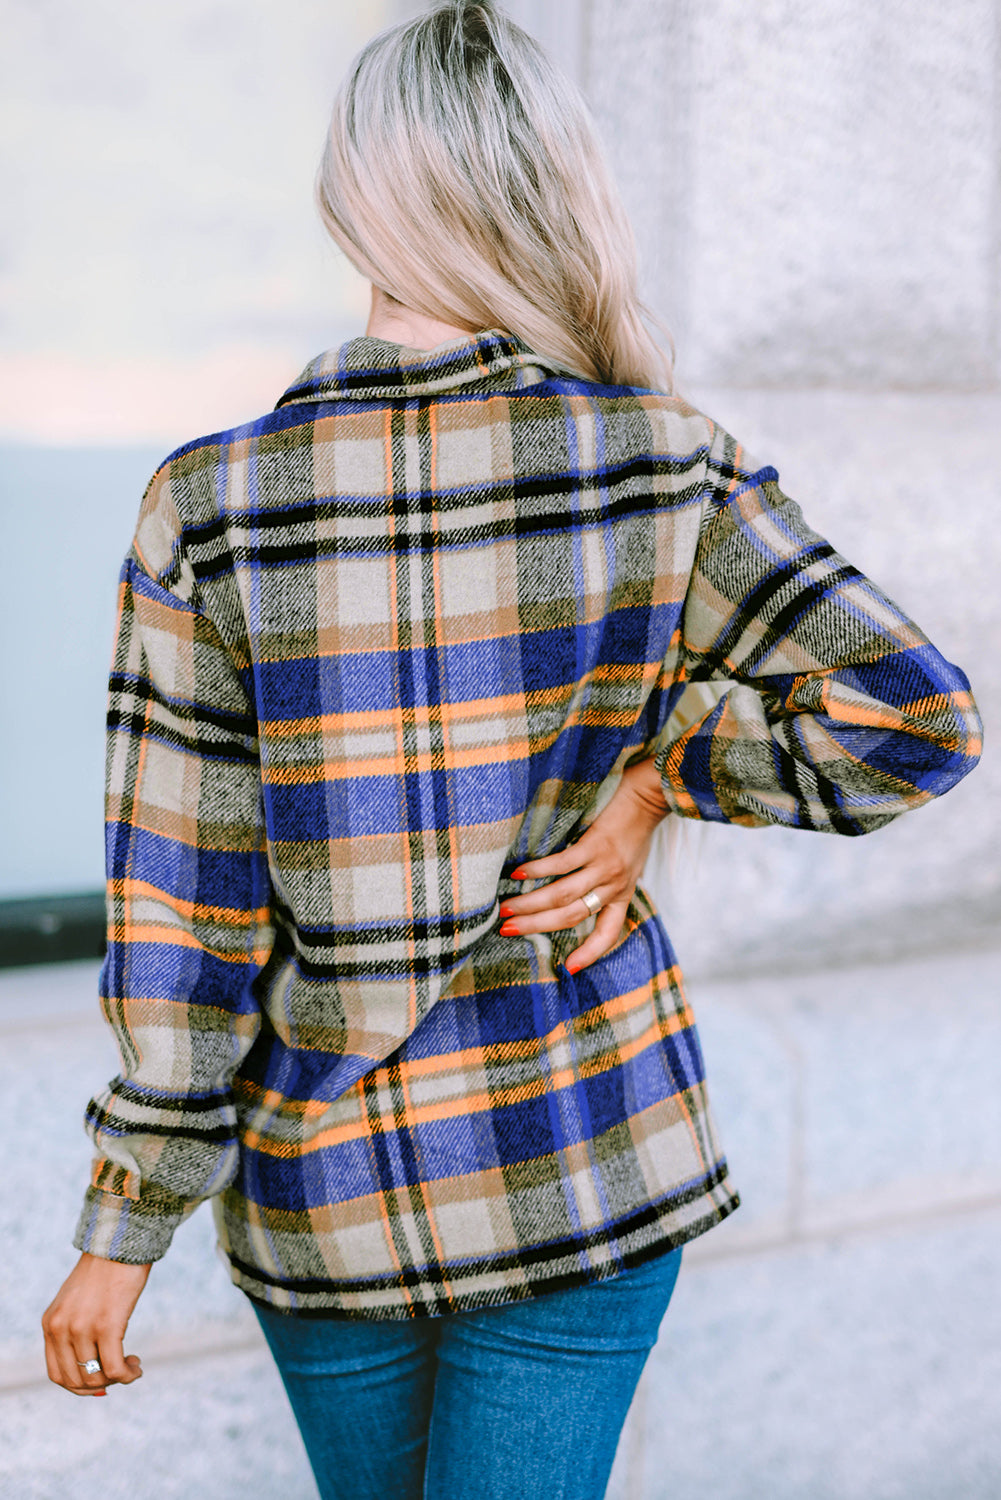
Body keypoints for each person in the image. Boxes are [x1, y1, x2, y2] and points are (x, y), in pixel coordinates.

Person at [41, 4, 982, 1497]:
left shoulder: (212, 509)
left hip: (325, 1192)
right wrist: (657, 775)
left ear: (356, 189)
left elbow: (184, 915)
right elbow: (909, 718)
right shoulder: (663, 462)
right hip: (580, 1158)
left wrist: (123, 1228)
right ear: (548, 189)